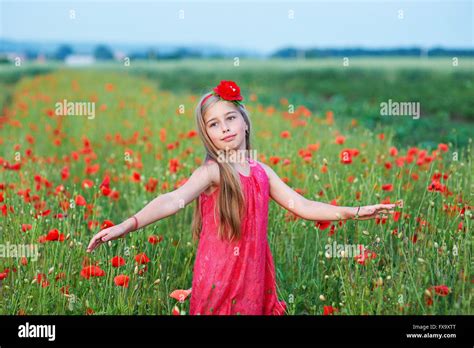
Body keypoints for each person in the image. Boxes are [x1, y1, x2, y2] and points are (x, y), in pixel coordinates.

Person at [86, 80, 400, 315]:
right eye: (214, 124)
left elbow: (303, 206)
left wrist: (356, 211)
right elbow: (173, 199)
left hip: (253, 277)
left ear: (245, 121)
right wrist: (126, 225)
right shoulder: (213, 173)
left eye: (230, 118)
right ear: (206, 133)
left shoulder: (262, 172)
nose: (224, 128)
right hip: (219, 277)